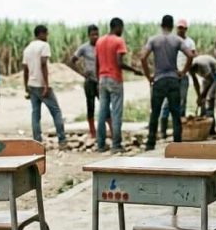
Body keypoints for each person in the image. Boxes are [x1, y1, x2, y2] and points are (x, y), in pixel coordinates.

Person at [140, 14, 196, 150]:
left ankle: (150, 143)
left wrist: (149, 76)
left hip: (159, 79)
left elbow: (142, 58)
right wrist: (183, 72)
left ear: (161, 25)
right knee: (176, 113)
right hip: (173, 79)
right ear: (172, 26)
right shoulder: (176, 40)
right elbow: (190, 55)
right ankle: (177, 143)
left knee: (155, 112)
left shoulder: (154, 40)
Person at [95, 17, 138, 153]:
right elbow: (119, 62)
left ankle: (101, 145)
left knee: (102, 112)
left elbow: (97, 62)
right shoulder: (119, 41)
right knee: (116, 112)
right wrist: (134, 70)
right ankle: (116, 145)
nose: (122, 31)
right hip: (115, 79)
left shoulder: (100, 41)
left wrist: (98, 78)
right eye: (122, 28)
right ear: (118, 27)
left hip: (102, 78)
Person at [22, 25, 67, 146]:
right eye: (46, 34)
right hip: (42, 85)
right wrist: (46, 85)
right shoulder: (44, 45)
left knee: (35, 114)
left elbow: (25, 69)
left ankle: (37, 142)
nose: (47, 37)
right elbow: (43, 64)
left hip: (32, 85)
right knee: (56, 111)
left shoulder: (28, 48)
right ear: (41, 34)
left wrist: (26, 87)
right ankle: (62, 140)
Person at [159, 19, 196, 139]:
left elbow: (191, 57)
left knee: (182, 102)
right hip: (171, 76)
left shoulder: (190, 42)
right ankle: (163, 131)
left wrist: (184, 71)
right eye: (179, 27)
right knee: (166, 103)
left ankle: (179, 131)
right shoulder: (172, 41)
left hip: (183, 76)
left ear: (186, 29)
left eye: (182, 28)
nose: (180, 30)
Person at [68, 24, 102, 139]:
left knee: (105, 105)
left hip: (101, 80)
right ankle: (93, 132)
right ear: (88, 35)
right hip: (90, 81)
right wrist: (82, 73)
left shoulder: (101, 46)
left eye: (97, 34)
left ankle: (110, 130)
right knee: (90, 105)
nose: (95, 37)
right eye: (93, 35)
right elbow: (72, 60)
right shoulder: (84, 48)